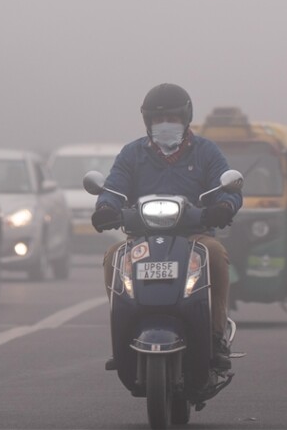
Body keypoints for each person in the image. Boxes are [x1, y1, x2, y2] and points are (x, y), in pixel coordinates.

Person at [91, 83, 243, 371]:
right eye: (158, 120)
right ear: (147, 122)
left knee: (216, 255)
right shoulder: (132, 154)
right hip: (141, 240)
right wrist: (106, 207)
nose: (165, 125)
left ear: (185, 119)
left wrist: (224, 206)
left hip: (194, 237)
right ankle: (122, 335)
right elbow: (112, 188)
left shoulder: (206, 152)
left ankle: (216, 334)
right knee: (113, 257)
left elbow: (229, 188)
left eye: (171, 119)